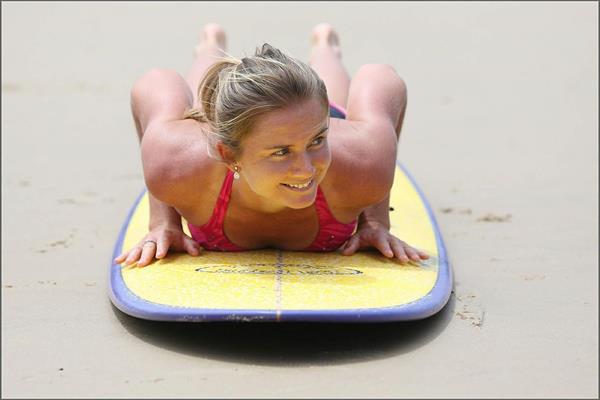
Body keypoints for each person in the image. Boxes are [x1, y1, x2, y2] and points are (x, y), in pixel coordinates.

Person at [115, 23, 429, 268]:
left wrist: (374, 220)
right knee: (203, 101)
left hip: (310, 115)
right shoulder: (177, 162)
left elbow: (382, 79)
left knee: (329, 100)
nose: (307, 168)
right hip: (240, 126)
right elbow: (155, 83)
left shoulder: (362, 163)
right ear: (227, 154)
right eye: (280, 153)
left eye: (318, 141)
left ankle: (326, 46)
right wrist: (163, 222)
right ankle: (209, 46)